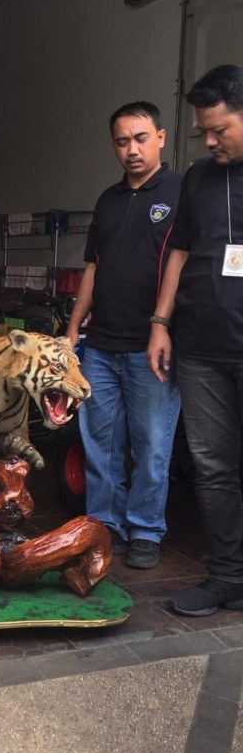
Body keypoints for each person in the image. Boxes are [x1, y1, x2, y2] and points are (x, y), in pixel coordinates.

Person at [66, 102, 181, 569]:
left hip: (151, 348)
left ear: (160, 137)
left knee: (152, 444)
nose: (131, 150)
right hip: (100, 346)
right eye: (121, 141)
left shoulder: (181, 193)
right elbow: (93, 267)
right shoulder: (108, 200)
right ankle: (103, 524)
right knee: (100, 444)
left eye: (139, 138)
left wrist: (163, 325)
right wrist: (73, 329)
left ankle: (146, 530)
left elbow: (185, 263)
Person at [148, 65, 243, 617]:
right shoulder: (199, 179)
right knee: (211, 467)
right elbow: (179, 251)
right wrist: (161, 323)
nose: (209, 141)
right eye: (203, 132)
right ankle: (227, 576)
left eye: (219, 129)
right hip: (201, 349)